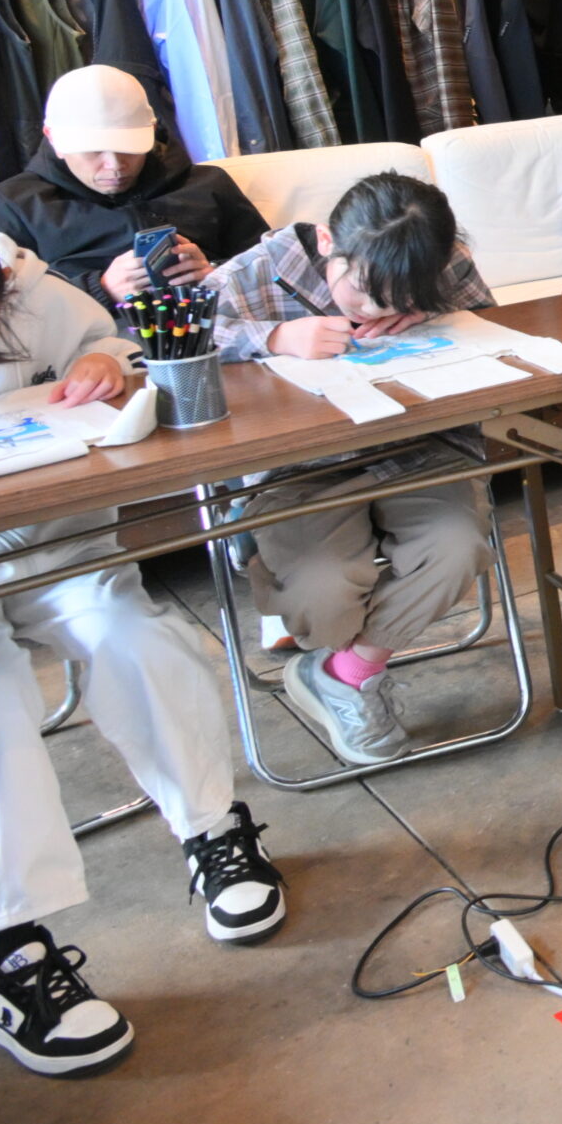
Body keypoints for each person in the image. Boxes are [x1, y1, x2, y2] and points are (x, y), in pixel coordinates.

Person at [0, 230, 284, 1080]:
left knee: (140, 639)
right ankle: (10, 945)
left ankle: (212, 828)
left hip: (57, 549)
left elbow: (114, 342)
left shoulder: (30, 288)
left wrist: (107, 365)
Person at [210, 175, 497, 766]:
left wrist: (433, 314)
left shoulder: (441, 261)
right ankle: (338, 656)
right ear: (326, 242)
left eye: (401, 296)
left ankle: (347, 674)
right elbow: (163, 344)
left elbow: (488, 325)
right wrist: (274, 336)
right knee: (323, 590)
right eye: (365, 291)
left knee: (456, 549)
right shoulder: (257, 271)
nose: (378, 309)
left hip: (419, 449)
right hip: (299, 469)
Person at [0, 66, 268, 308]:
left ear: (152, 130)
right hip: (95, 342)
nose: (115, 165)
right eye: (94, 152)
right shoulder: (11, 207)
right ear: (53, 138)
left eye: (129, 149)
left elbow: (271, 268)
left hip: (217, 328)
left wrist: (216, 274)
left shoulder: (208, 184)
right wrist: (99, 289)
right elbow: (6, 313)